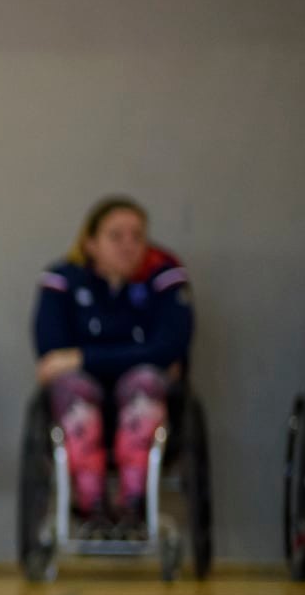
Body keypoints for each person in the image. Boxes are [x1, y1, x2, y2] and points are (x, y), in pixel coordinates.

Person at [34, 195, 193, 528]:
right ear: (90, 243)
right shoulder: (62, 280)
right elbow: (50, 357)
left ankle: (133, 500)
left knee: (144, 382)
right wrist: (136, 355)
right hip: (83, 405)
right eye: (116, 236)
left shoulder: (165, 277)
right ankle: (89, 500)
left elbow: (170, 348)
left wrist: (82, 357)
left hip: (144, 406)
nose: (128, 245)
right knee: (73, 387)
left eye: (137, 236)